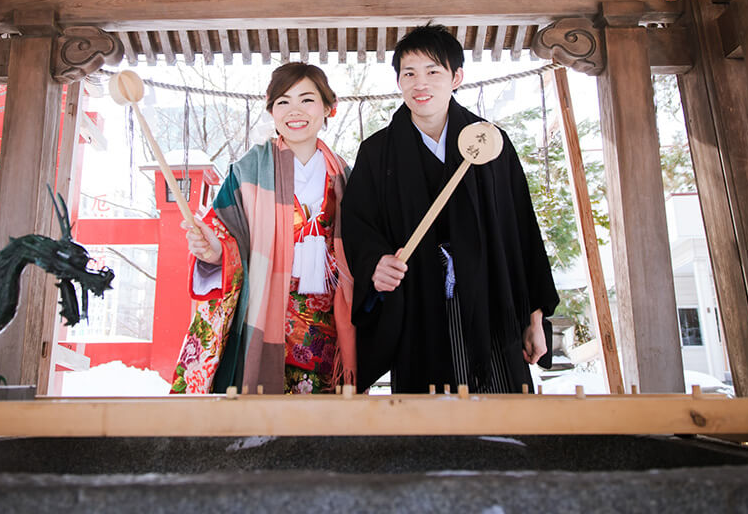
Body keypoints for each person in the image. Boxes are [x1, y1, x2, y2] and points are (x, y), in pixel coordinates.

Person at [341, 24, 559, 393]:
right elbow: (358, 225)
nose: (419, 83)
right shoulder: (377, 152)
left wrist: (535, 317)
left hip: (491, 297)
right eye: (409, 73)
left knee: (503, 414)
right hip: (418, 305)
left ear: (456, 77)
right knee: (427, 425)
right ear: (398, 81)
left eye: (432, 72)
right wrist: (375, 263)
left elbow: (521, 230)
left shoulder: (490, 142)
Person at [170, 62, 356, 394]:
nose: (294, 111)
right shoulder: (249, 170)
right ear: (271, 110)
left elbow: (364, 245)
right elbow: (226, 232)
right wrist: (214, 249)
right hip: (268, 307)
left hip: (327, 319)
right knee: (263, 414)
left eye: (307, 100)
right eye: (283, 101)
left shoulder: (347, 176)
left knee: (322, 424)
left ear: (329, 107)